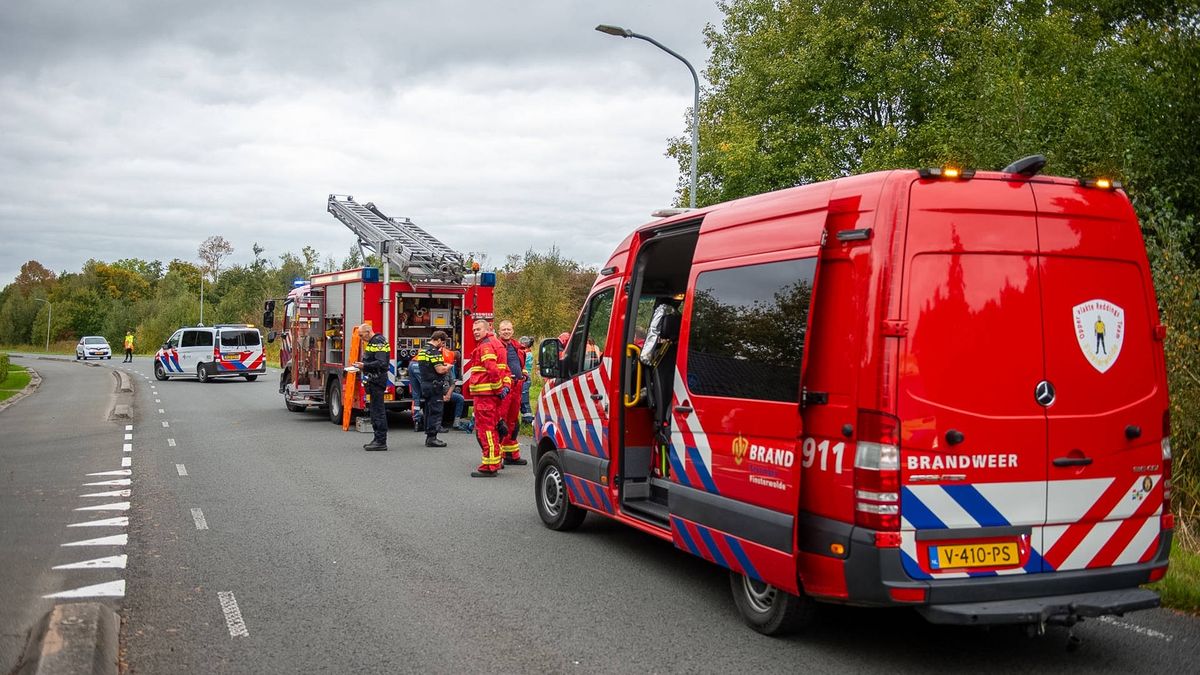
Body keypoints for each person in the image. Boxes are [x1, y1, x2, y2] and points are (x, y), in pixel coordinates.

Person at [466, 319, 512, 477]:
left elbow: (492, 370)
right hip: (492, 397)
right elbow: (505, 370)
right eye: (474, 330)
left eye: (478, 329)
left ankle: (490, 465)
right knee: (492, 428)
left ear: (487, 329)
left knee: (486, 430)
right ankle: (495, 460)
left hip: (485, 397)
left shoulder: (485, 346)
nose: (475, 332)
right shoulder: (498, 344)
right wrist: (505, 387)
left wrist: (498, 388)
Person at [353, 323, 391, 451]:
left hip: (377, 379)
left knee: (378, 411)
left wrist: (364, 366)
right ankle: (377, 439)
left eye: (361, 335)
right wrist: (363, 364)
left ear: (368, 331)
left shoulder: (378, 341)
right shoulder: (374, 341)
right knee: (374, 410)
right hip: (373, 379)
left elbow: (381, 362)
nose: (360, 337)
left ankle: (381, 441)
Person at [496, 320, 528, 466]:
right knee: (501, 422)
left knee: (513, 421)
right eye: (504, 329)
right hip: (505, 387)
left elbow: (520, 363)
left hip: (517, 386)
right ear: (499, 331)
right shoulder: (495, 346)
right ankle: (497, 456)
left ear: (513, 331)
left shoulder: (516, 346)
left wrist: (523, 373)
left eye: (508, 329)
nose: (506, 332)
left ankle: (511, 454)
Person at [415, 330, 451, 447]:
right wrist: (448, 367)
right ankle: (432, 438)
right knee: (436, 411)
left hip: (425, 384)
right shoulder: (434, 352)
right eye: (443, 343)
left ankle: (429, 435)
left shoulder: (423, 350)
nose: (443, 346)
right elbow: (440, 369)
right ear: (439, 340)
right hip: (435, 385)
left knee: (428, 410)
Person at [518, 336, 534, 423]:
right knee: (523, 399)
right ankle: (527, 419)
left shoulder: (526, 354)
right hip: (526, 378)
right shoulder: (528, 353)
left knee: (524, 400)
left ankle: (527, 420)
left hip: (525, 378)